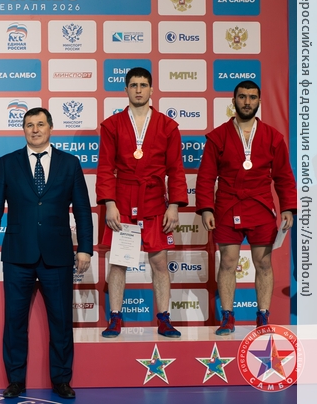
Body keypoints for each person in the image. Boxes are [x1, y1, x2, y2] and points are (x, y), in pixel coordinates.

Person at [0, 108, 93, 400]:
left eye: (40, 124)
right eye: (29, 125)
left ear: (50, 128)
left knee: (61, 322)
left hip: (57, 255)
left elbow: (82, 210)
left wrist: (85, 248)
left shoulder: (70, 163)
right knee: (14, 322)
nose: (35, 129)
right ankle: (15, 380)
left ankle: (61, 379)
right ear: (23, 130)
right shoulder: (8, 163)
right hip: (17, 255)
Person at [196, 80, 297, 334]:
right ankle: (227, 317)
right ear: (234, 101)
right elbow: (206, 176)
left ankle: (263, 316)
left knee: (263, 262)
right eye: (242, 97)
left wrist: (288, 207)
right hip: (228, 205)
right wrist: (206, 208)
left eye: (252, 97)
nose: (247, 102)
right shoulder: (218, 136)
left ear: (259, 101)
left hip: (260, 206)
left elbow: (284, 176)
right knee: (228, 262)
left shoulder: (273, 137)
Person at [96, 67, 188, 338]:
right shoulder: (112, 125)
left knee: (159, 262)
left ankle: (164, 318)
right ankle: (115, 318)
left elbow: (176, 169)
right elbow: (105, 168)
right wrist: (109, 203)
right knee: (119, 262)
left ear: (151, 89)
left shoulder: (168, 126)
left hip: (154, 200)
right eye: (133, 85)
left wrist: (174, 205)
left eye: (143, 85)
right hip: (123, 200)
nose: (138, 90)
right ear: (125, 89)